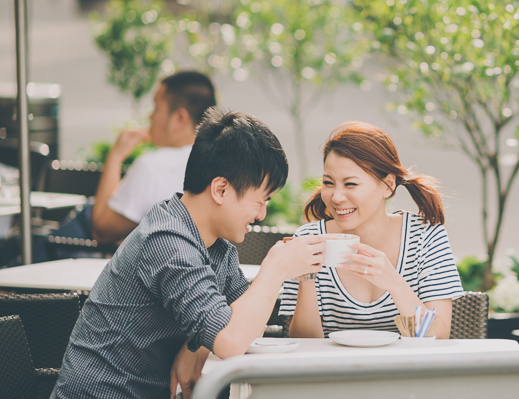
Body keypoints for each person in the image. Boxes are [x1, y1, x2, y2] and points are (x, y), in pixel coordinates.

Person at [51, 109, 325, 399]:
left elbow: (244, 330)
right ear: (220, 189)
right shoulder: (167, 241)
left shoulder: (216, 246)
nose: (262, 214)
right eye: (261, 200)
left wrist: (198, 344)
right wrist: (276, 268)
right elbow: (231, 341)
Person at [279, 122, 464, 339]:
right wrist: (307, 277)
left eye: (350, 184)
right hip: (332, 371)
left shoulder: (426, 237)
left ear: (387, 186)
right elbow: (305, 343)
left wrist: (394, 283)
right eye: (329, 183)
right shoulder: (307, 240)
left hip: (405, 371)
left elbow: (439, 337)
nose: (336, 197)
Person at [50, 71, 217, 251]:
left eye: (156, 107)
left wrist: (115, 157)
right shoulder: (219, 164)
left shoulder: (152, 165)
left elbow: (102, 230)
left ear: (178, 119)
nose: (150, 116)